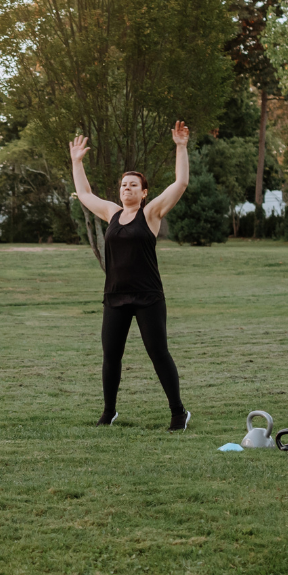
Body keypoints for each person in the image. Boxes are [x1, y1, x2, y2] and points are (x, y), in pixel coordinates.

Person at [68, 124, 193, 431]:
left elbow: (180, 182)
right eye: (124, 185)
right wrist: (76, 162)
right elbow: (84, 194)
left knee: (158, 353)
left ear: (143, 192)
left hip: (148, 296)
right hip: (115, 296)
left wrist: (181, 147)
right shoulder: (111, 213)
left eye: (133, 185)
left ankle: (178, 413)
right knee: (111, 356)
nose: (127, 188)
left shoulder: (150, 214)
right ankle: (109, 412)